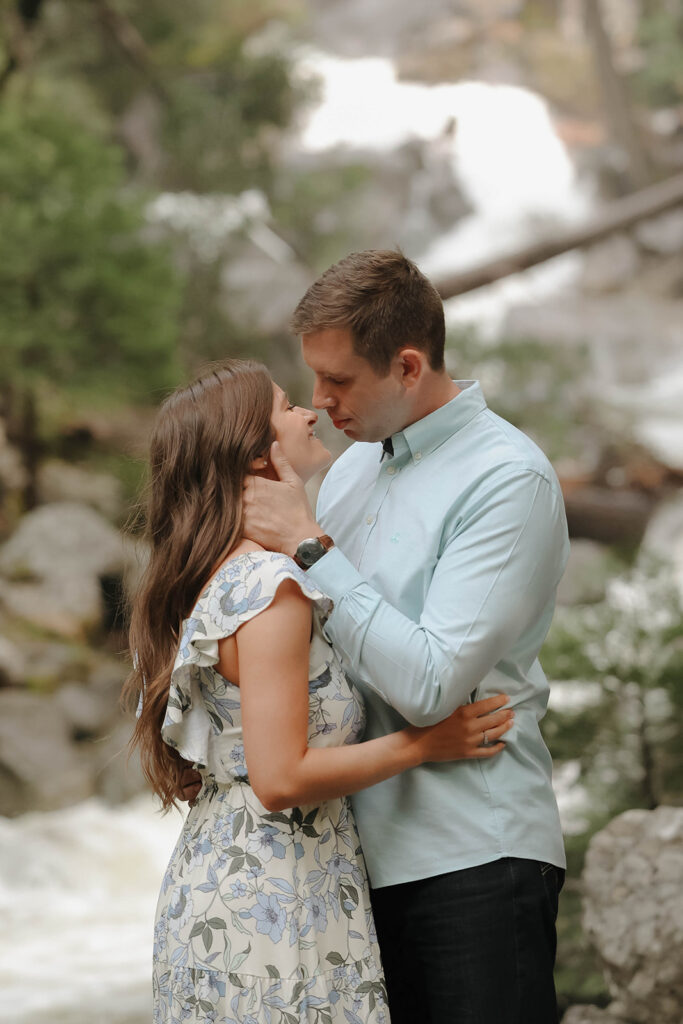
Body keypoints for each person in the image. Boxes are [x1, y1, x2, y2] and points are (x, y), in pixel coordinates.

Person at [123, 359, 514, 1024]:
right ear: (254, 454)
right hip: (277, 901)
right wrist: (425, 743)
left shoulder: (203, 578)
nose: (308, 411)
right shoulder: (272, 590)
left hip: (218, 884)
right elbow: (281, 777)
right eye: (284, 406)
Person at [241, 249, 571, 1024]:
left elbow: (428, 685)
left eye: (340, 380)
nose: (320, 404)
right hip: (352, 863)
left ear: (410, 366)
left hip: (474, 857)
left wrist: (313, 548)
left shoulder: (505, 478)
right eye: (314, 380)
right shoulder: (352, 470)